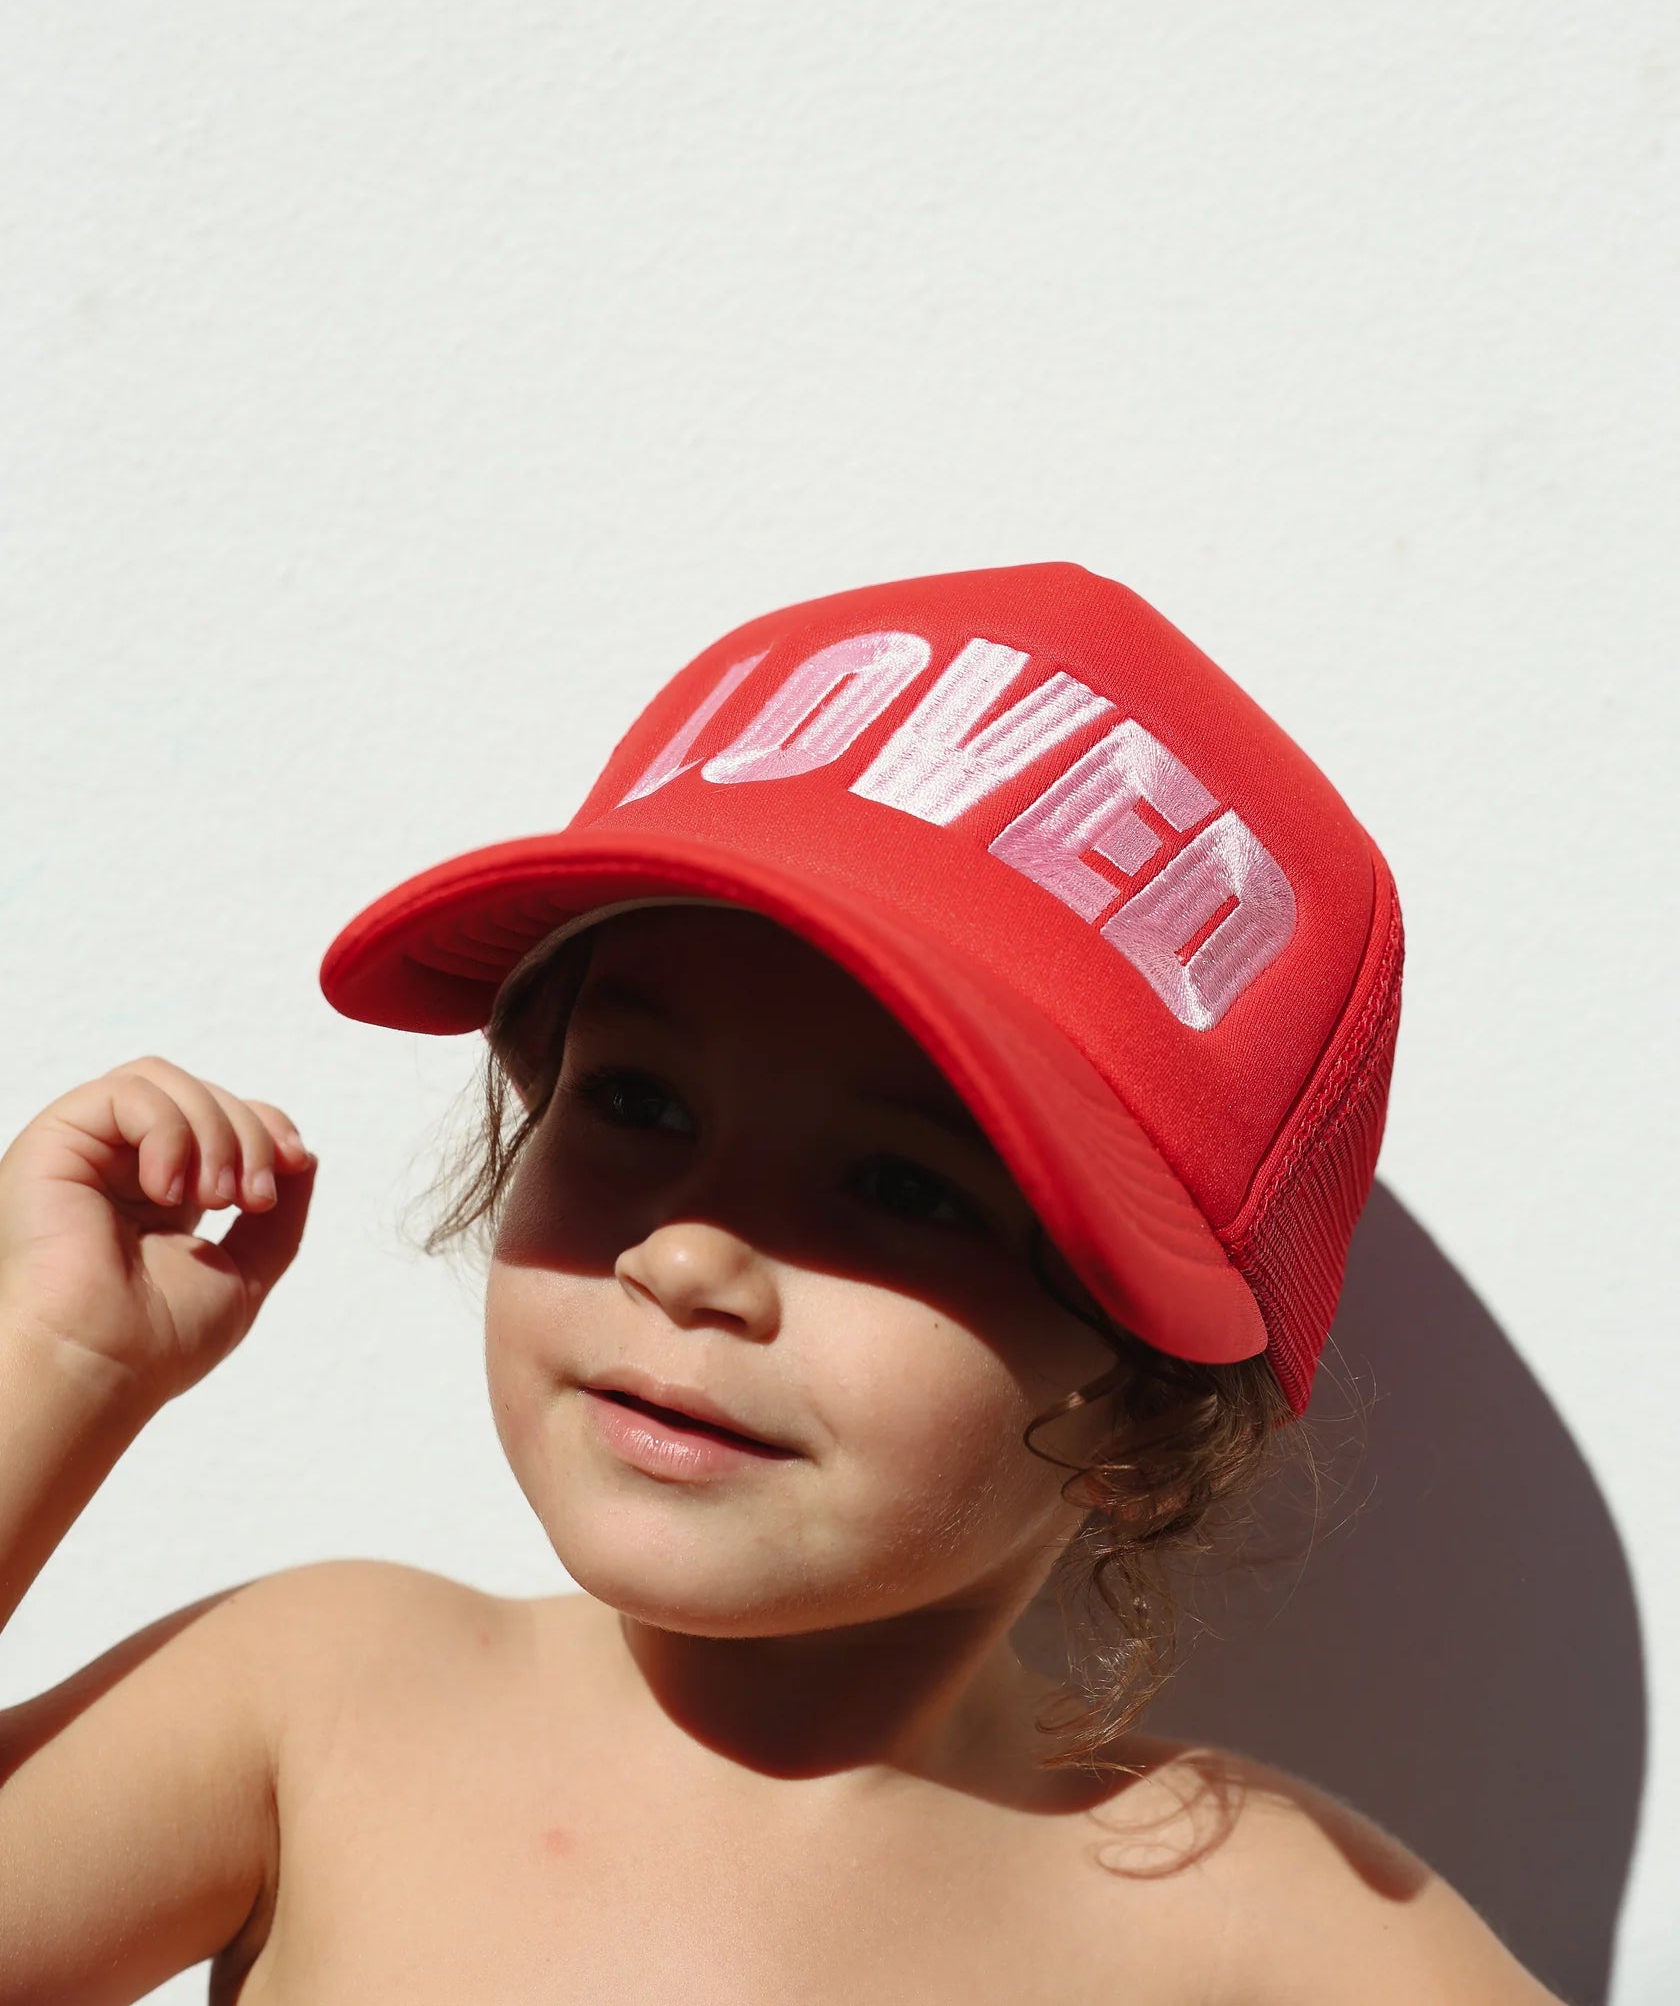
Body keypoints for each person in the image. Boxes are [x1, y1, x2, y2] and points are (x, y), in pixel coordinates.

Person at [0, 562, 1563, 2001]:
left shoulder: (1266, 1926)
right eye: (638, 1105)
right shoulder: (325, 1706)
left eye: (901, 1189)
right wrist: (51, 1363)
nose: (687, 1254)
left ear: (1142, 1413)